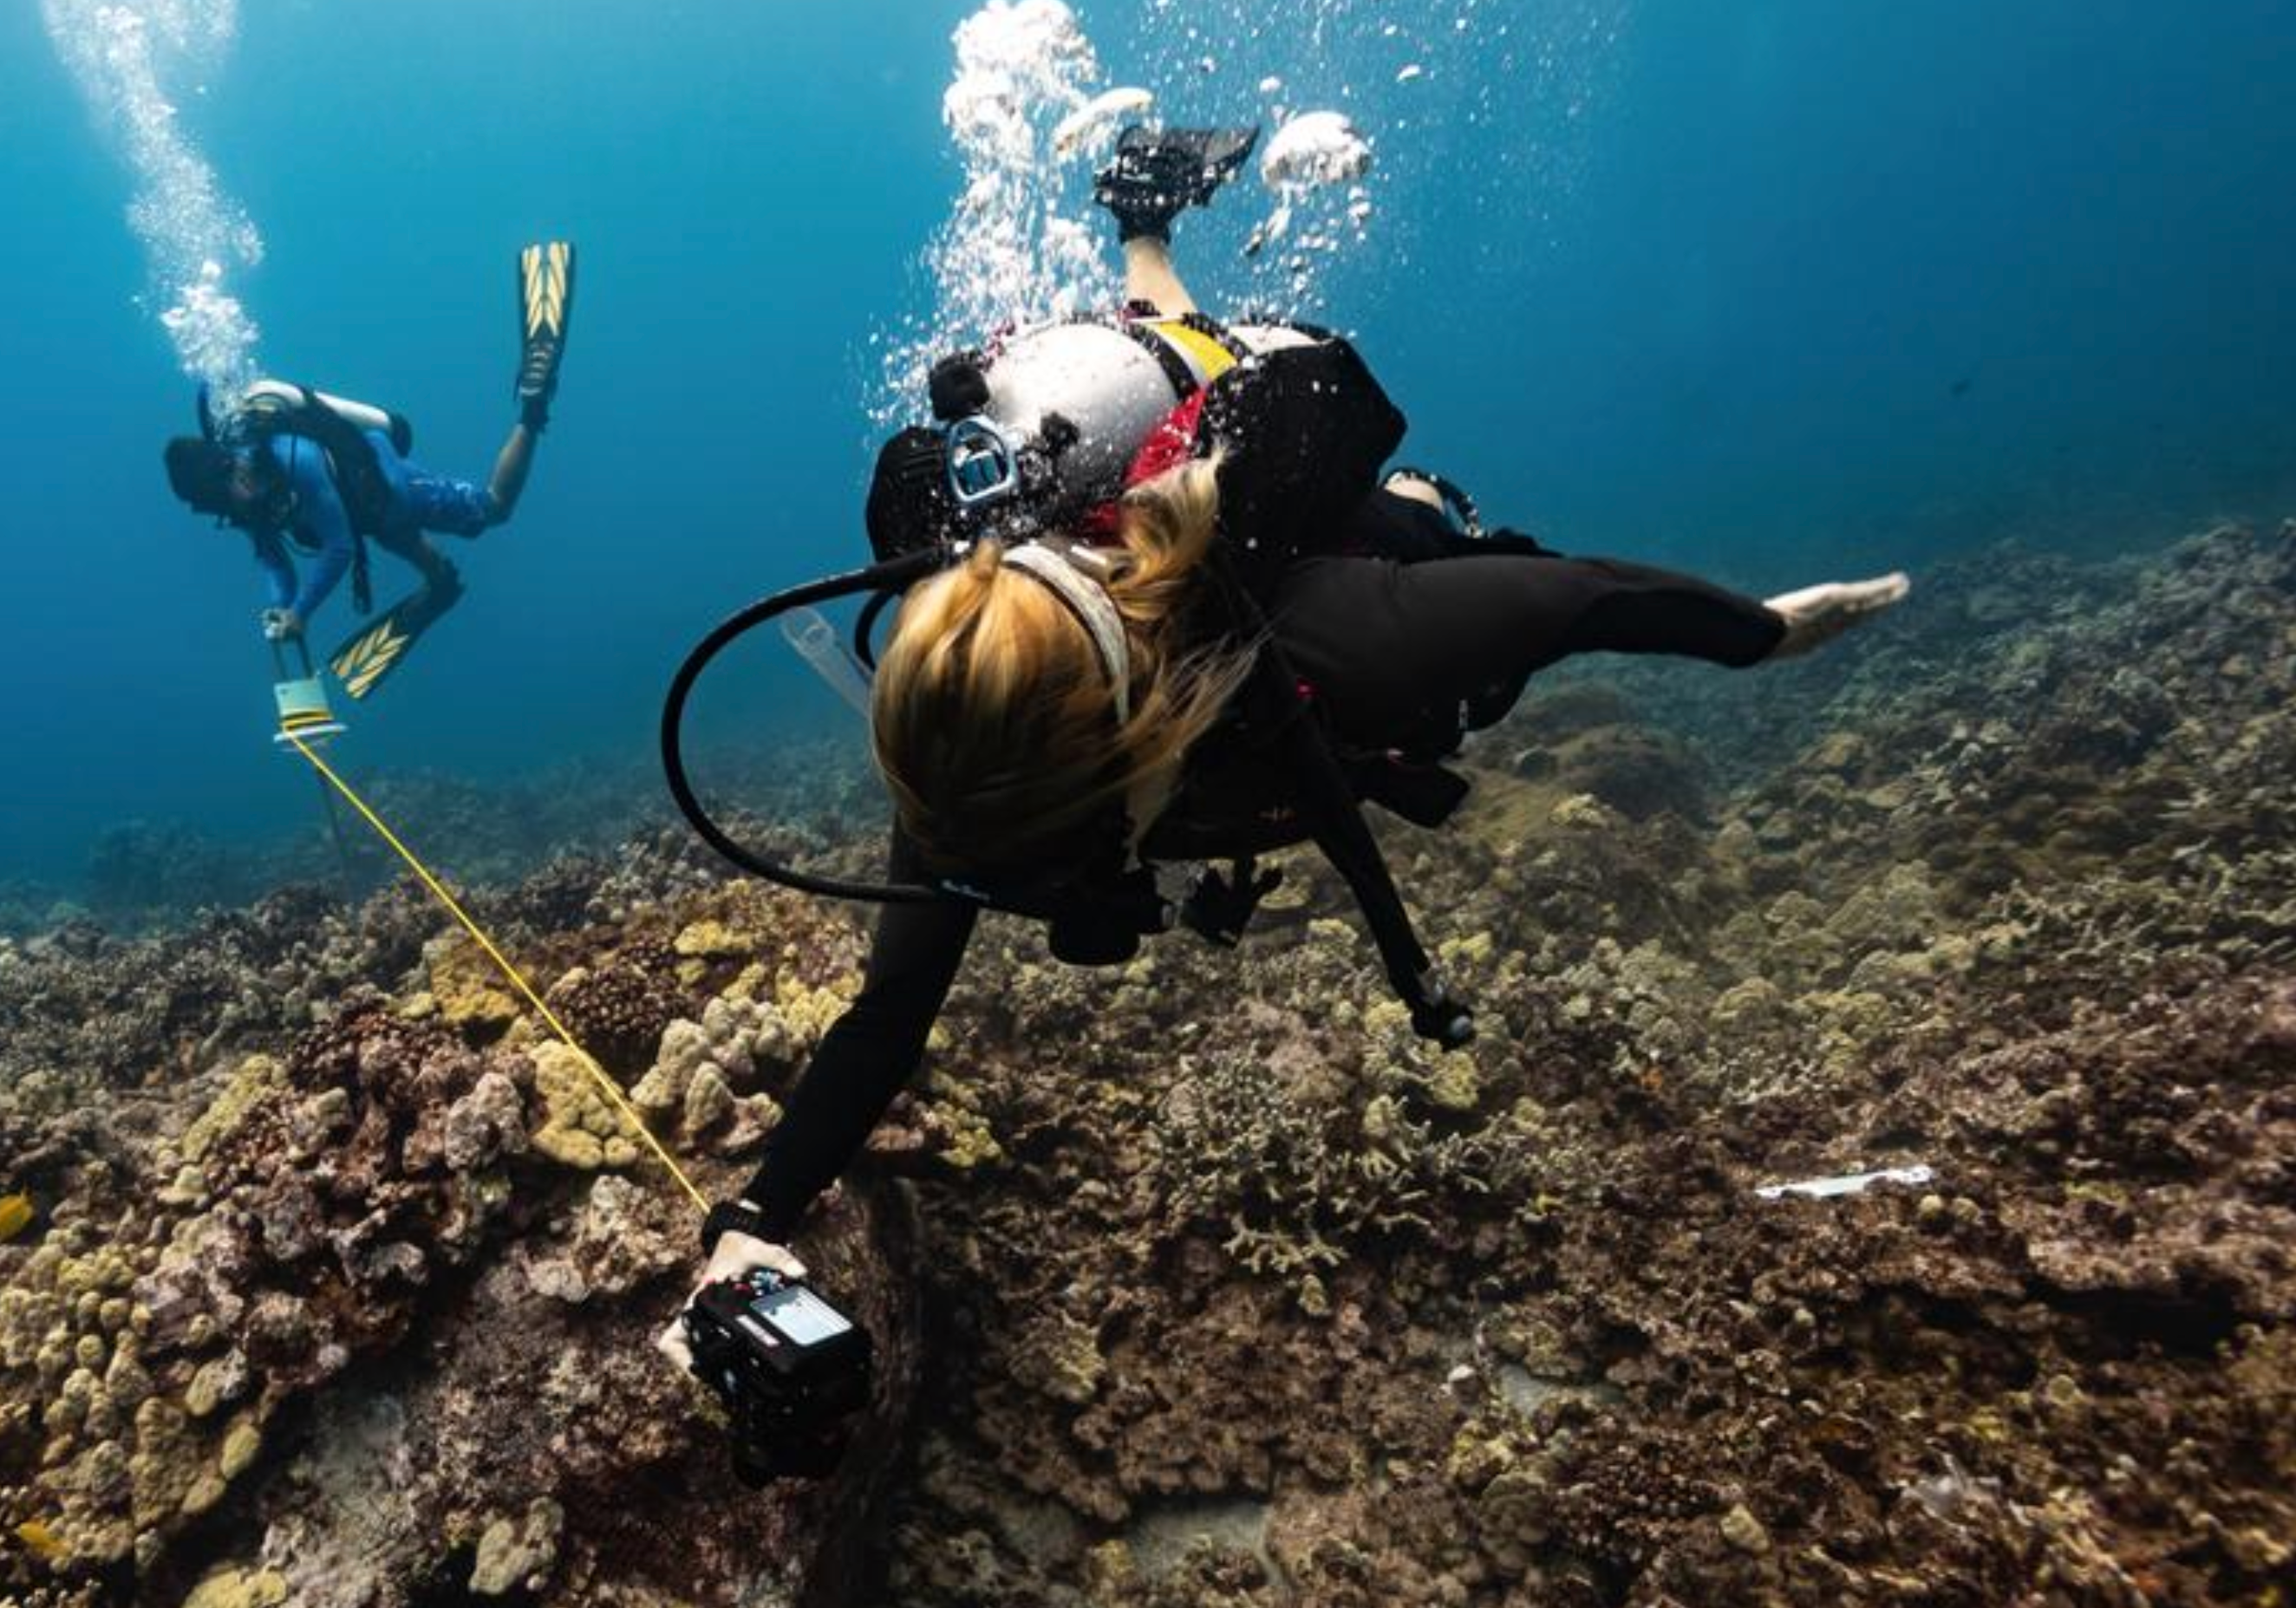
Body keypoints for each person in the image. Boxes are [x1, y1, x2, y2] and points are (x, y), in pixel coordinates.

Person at [662, 128, 1907, 1337]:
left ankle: (1154, 239)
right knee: (1162, 338)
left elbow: (1578, 598)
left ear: (1130, 750)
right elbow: (886, 1017)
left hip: (1262, 495)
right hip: (1128, 467)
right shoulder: (966, 746)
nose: (1016, 893)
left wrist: (1762, 635)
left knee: (1409, 512)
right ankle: (1140, 221)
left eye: (1033, 866)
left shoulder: (1332, 639)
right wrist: (753, 1214)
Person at [161, 242, 577, 701]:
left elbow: (337, 547)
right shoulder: (241, 494)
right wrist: (281, 608)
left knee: (493, 509)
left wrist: (301, 613)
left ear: (229, 473)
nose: (229, 511)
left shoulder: (290, 457)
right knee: (402, 540)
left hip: (388, 488)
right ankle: (441, 581)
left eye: (220, 501)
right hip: (371, 517)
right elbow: (272, 558)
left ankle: (533, 407)